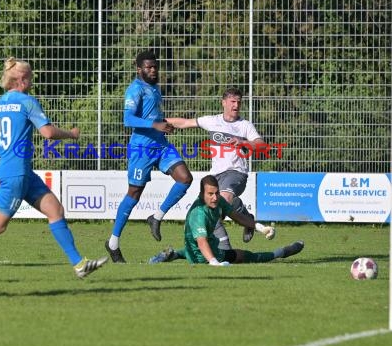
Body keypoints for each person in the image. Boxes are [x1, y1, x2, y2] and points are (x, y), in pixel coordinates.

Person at [0, 57, 107, 278]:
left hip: (20, 172)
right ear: (22, 80)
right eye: (31, 78)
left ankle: (79, 264)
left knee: (55, 210)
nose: (32, 82)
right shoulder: (27, 102)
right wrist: (71, 134)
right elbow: (48, 133)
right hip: (17, 173)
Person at [105, 51, 193, 263]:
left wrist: (164, 123)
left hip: (160, 145)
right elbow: (128, 118)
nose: (153, 70)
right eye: (148, 67)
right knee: (134, 193)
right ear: (139, 69)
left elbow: (151, 116)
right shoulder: (134, 89)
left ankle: (156, 217)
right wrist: (155, 125)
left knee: (185, 178)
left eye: (155, 66)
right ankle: (113, 242)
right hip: (141, 149)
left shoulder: (154, 87)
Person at [166, 87, 275, 250]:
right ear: (223, 103)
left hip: (236, 173)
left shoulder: (244, 125)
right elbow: (185, 123)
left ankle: (224, 249)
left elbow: (261, 145)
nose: (236, 105)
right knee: (204, 208)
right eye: (232, 101)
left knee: (217, 205)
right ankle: (246, 218)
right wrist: (156, 122)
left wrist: (245, 143)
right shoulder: (212, 121)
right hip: (216, 175)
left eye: (238, 102)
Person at [148, 175, 304, 265]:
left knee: (196, 249)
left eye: (216, 193)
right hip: (202, 256)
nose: (215, 197)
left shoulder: (218, 200)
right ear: (201, 193)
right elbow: (202, 242)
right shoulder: (198, 214)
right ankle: (280, 253)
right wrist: (214, 263)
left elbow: (236, 216)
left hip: (202, 246)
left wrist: (259, 227)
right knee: (246, 256)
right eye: (210, 194)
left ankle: (173, 254)